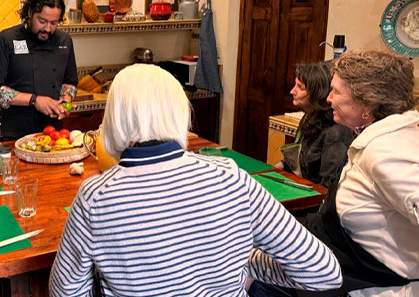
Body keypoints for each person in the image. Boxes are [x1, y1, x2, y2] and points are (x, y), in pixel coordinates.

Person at [49, 63, 342, 296]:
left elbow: (64, 291)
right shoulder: (232, 178)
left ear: (113, 119)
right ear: (179, 114)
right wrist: (241, 262)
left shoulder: (95, 196)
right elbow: (323, 271)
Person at [251, 50, 419, 296]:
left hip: (360, 281)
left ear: (367, 103)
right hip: (336, 257)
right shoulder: (378, 138)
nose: (328, 98)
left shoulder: (387, 152)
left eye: (336, 92)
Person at [0, 0, 77, 139]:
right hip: (17, 134)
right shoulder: (7, 40)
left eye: (54, 23)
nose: (47, 28)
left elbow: (69, 82)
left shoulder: (64, 40)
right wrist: (34, 100)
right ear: (29, 13)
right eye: (42, 21)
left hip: (53, 133)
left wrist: (65, 101)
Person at [280, 61, 353, 186]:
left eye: (300, 87)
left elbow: (327, 187)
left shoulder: (336, 132)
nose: (292, 91)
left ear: (317, 93)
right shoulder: (308, 117)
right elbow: (293, 163)